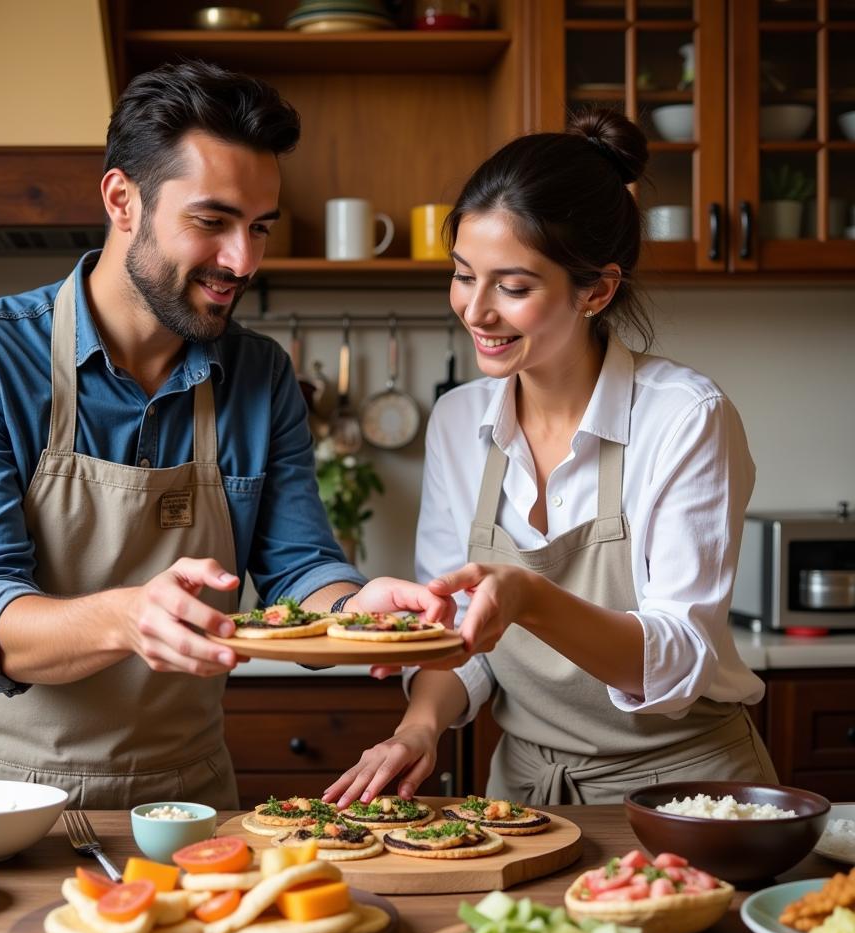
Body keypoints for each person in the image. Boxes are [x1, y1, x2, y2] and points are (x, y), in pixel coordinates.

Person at [0, 60, 452, 810]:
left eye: (259, 228)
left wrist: (362, 610)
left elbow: (299, 572)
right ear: (122, 199)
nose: (244, 261)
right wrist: (130, 616)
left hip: (184, 800)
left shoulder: (259, 376)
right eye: (212, 221)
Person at [325, 108, 777, 809]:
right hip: (527, 797)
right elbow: (460, 636)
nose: (475, 311)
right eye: (462, 275)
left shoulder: (685, 418)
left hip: (689, 798)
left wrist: (531, 600)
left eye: (512, 286)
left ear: (596, 289)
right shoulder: (457, 421)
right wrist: (418, 729)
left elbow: (680, 657)